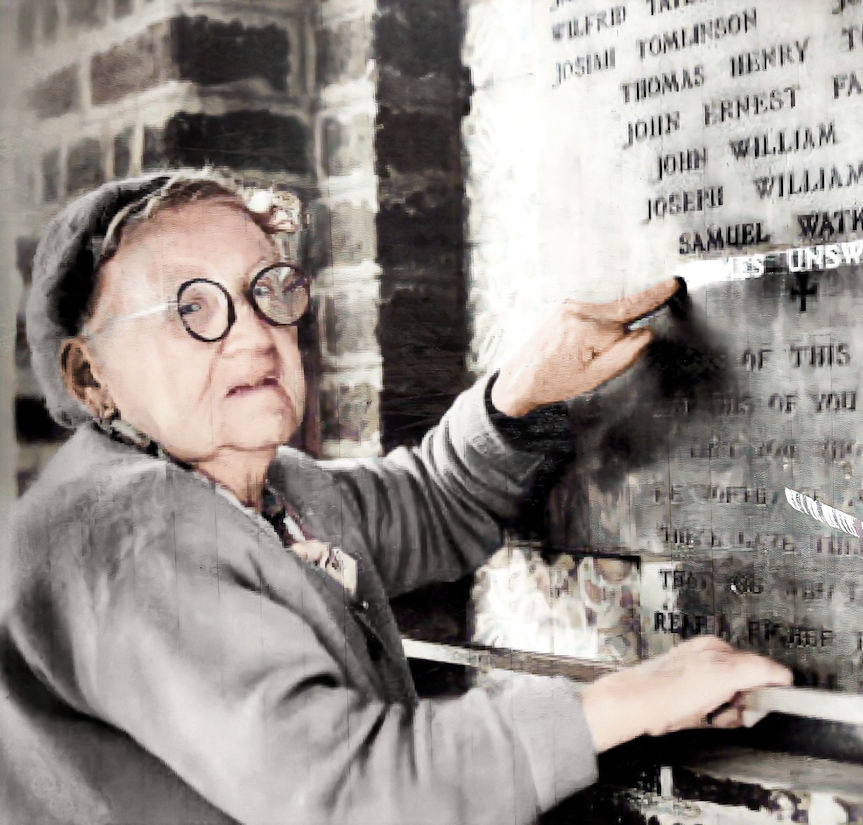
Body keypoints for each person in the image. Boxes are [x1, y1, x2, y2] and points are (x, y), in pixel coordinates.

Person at [0, 170, 792, 825]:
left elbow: (426, 503)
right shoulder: (121, 538)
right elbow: (351, 793)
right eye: (192, 308)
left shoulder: (263, 489)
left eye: (267, 289)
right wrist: (631, 698)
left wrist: (516, 394)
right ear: (87, 375)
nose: (252, 334)